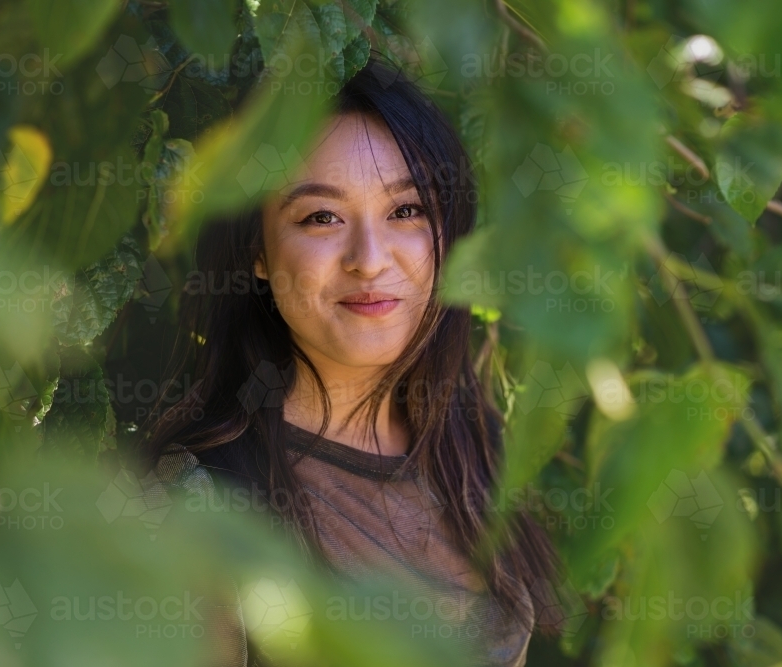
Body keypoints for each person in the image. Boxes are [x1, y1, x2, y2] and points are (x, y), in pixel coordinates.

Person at [145, 54, 560, 667]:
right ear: (255, 250)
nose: (369, 259)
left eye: (405, 211)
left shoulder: (472, 444)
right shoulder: (204, 501)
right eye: (321, 217)